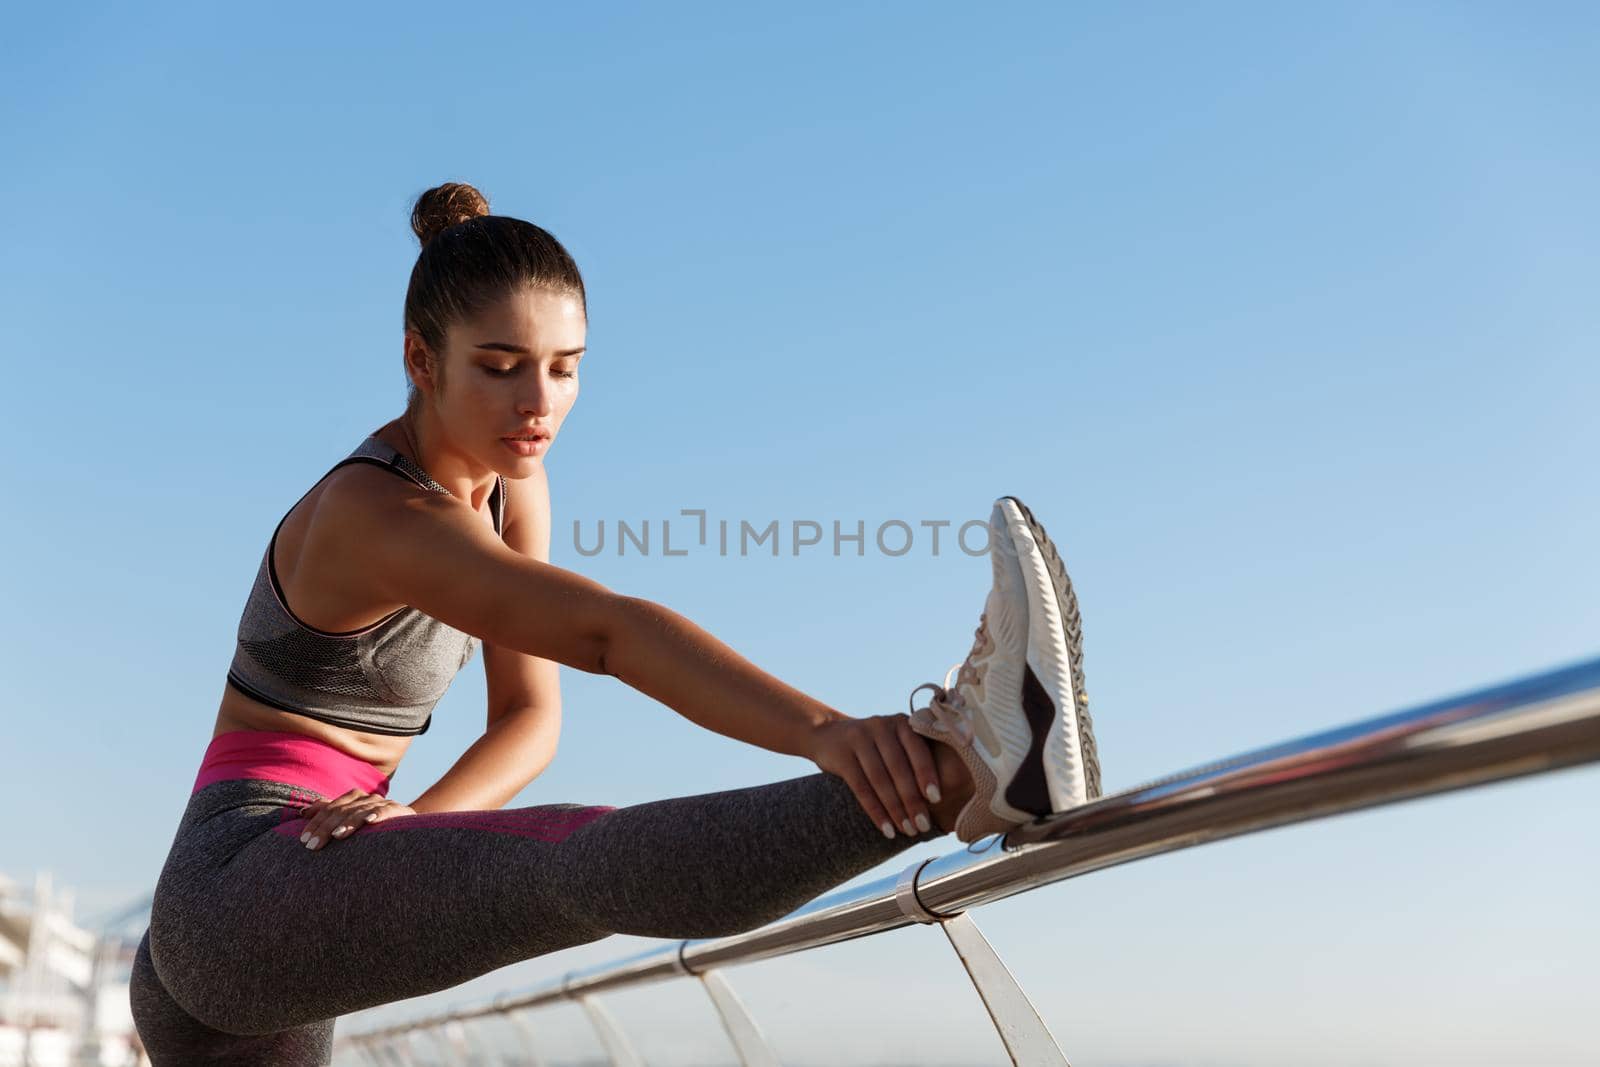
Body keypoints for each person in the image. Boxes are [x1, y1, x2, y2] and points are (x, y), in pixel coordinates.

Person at [127, 181, 1102, 1065]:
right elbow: (603, 633)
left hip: (287, 892)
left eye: (564, 367)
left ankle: (972, 765)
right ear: (421, 359)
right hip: (240, 881)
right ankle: (958, 771)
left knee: (548, 856)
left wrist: (415, 816)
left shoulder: (513, 488)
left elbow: (528, 718)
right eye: (502, 367)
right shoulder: (375, 513)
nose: (538, 403)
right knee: (563, 861)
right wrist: (825, 732)